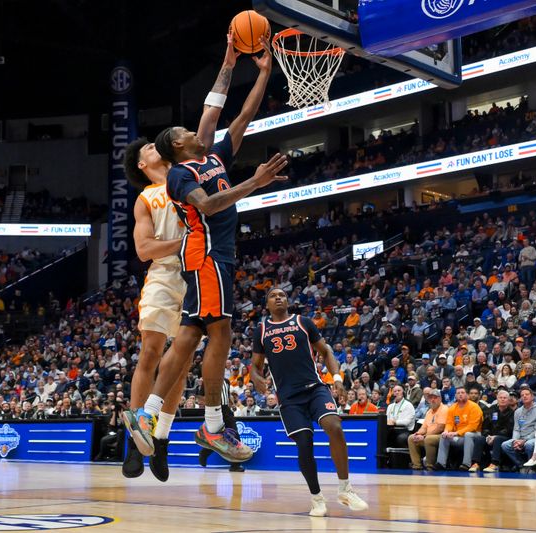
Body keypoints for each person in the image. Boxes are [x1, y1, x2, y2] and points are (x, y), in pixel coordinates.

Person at [127, 38, 288, 464]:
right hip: (208, 256)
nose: (195, 129)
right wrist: (255, 182)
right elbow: (210, 204)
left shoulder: (213, 157)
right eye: (184, 132)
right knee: (221, 334)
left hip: (212, 259)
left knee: (191, 336)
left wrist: (252, 70)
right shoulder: (180, 175)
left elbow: (234, 114)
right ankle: (213, 425)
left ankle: (148, 415)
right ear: (177, 145)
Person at [121, 32, 242, 481]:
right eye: (150, 146)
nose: (156, 143)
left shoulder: (191, 169)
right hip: (170, 271)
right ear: (144, 162)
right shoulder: (148, 198)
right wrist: (191, 238)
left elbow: (213, 113)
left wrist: (229, 63)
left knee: (185, 357)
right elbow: (145, 249)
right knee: (152, 349)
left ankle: (163, 438)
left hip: (200, 266)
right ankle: (136, 442)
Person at [251, 288, 368, 517]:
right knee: (304, 443)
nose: (278, 297)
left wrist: (336, 379)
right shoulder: (261, 330)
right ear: (267, 304)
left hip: (315, 389)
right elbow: (255, 365)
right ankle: (316, 498)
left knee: (334, 426)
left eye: (282, 295)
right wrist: (256, 378)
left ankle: (345, 489)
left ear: (288, 301)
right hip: (289, 398)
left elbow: (325, 351)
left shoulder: (303, 322)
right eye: (273, 295)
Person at [434, 388, 483, 471]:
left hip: (475, 435)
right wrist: (446, 431)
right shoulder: (452, 408)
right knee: (444, 436)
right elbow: (449, 423)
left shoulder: (474, 407)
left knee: (468, 435)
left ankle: (466, 464)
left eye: (462, 392)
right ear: (455, 396)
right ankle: (441, 463)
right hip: (459, 436)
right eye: (458, 393)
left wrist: (456, 433)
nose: (460, 394)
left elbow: (472, 427)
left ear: (467, 395)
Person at [500, 387, 536, 470]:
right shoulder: (518, 411)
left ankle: (532, 466)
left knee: (529, 444)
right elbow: (516, 429)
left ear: (532, 397)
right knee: (505, 445)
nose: (524, 396)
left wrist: (524, 441)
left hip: (534, 438)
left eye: (527, 394)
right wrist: (515, 440)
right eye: (522, 395)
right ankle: (521, 465)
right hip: (520, 438)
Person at [471, 390, 515, 472]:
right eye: (500, 398)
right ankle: (476, 463)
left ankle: (494, 464)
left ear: (508, 400)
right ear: (497, 399)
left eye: (505, 398)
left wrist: (495, 436)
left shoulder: (512, 412)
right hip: (490, 437)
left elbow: (509, 429)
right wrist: (487, 435)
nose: (502, 399)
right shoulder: (491, 409)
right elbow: (485, 425)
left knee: (497, 439)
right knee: (479, 438)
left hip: (504, 437)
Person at [407, 389, 447, 469]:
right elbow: (424, 427)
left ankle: (430, 466)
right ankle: (417, 465)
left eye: (435, 398)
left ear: (440, 399)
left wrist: (424, 436)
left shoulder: (444, 409)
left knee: (428, 439)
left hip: (441, 436)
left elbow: (440, 428)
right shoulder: (429, 411)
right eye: (430, 398)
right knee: (411, 438)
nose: (432, 400)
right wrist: (418, 434)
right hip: (428, 435)